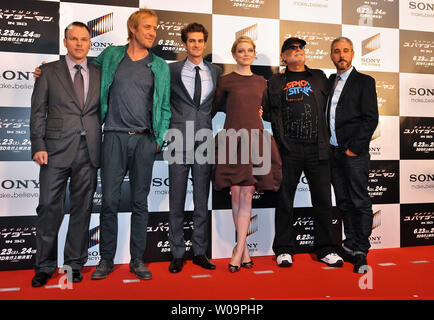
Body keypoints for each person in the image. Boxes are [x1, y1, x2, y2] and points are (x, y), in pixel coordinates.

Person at [89, 8, 171, 280]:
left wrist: (157, 140)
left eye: (155, 28)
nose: (153, 32)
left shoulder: (159, 66)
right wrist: (49, 71)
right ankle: (105, 259)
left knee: (140, 202)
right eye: (147, 27)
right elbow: (83, 71)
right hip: (113, 136)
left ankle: (138, 259)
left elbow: (166, 108)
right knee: (110, 201)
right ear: (133, 29)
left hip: (144, 140)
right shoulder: (112, 55)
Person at [30, 22, 101, 287]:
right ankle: (44, 266)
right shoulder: (48, 72)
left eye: (84, 39)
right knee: (49, 207)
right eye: (74, 39)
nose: (79, 43)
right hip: (55, 150)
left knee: (82, 210)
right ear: (65, 41)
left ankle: (74, 265)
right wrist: (38, 144)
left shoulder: (99, 71)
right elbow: (38, 111)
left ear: (90, 43)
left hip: (90, 150)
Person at [262, 37, 344, 268]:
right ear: (283, 57)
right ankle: (284, 249)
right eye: (292, 48)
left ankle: (326, 249)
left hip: (318, 148)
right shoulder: (275, 82)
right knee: (285, 200)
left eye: (301, 48)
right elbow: (268, 113)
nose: (298, 51)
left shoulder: (319, 77)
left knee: (323, 201)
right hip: (289, 150)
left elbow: (334, 106)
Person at [213, 36, 282, 272]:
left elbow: (271, 111)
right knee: (235, 193)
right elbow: (217, 108)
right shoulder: (225, 82)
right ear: (234, 54)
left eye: (249, 50)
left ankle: (237, 251)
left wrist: (264, 112)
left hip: (256, 140)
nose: (245, 54)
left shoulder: (263, 82)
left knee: (247, 194)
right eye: (241, 50)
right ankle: (244, 250)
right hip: (233, 139)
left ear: (254, 53)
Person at [165, 23, 222, 273]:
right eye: (191, 41)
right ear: (184, 43)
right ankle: (177, 253)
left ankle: (199, 252)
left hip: (205, 138)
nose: (196, 45)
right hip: (178, 137)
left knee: (201, 201)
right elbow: (160, 101)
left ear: (205, 43)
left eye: (200, 41)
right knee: (176, 200)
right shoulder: (170, 70)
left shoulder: (217, 71)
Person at [327, 37, 378, 274]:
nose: (341, 55)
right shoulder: (330, 82)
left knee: (359, 200)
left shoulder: (364, 81)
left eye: (345, 50)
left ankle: (361, 249)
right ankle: (349, 244)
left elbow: (370, 119)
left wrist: (354, 148)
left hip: (353, 153)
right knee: (344, 202)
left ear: (353, 53)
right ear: (331, 55)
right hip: (333, 153)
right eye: (337, 51)